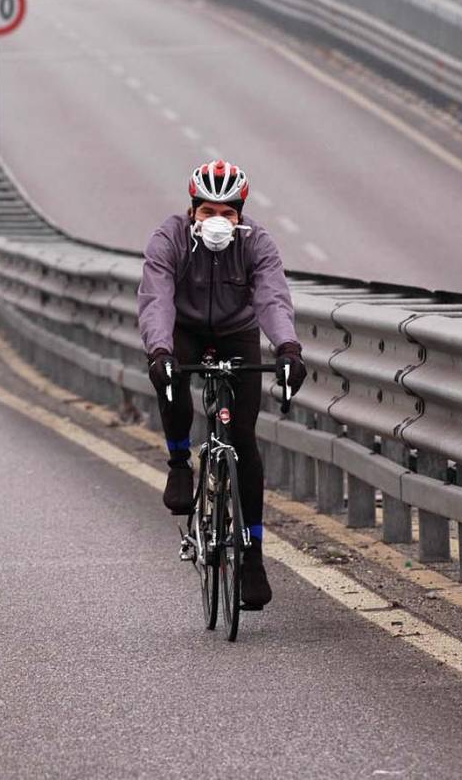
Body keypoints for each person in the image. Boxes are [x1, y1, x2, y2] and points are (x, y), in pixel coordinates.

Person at [137, 159, 307, 609]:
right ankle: (178, 461)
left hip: (236, 331)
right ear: (191, 210)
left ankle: (253, 556)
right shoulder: (168, 238)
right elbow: (156, 299)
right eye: (207, 212)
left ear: (241, 215)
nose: (217, 222)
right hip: (185, 331)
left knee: (245, 441)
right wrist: (160, 352)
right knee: (170, 381)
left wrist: (288, 349)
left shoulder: (258, 244)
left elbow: (272, 296)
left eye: (227, 213)